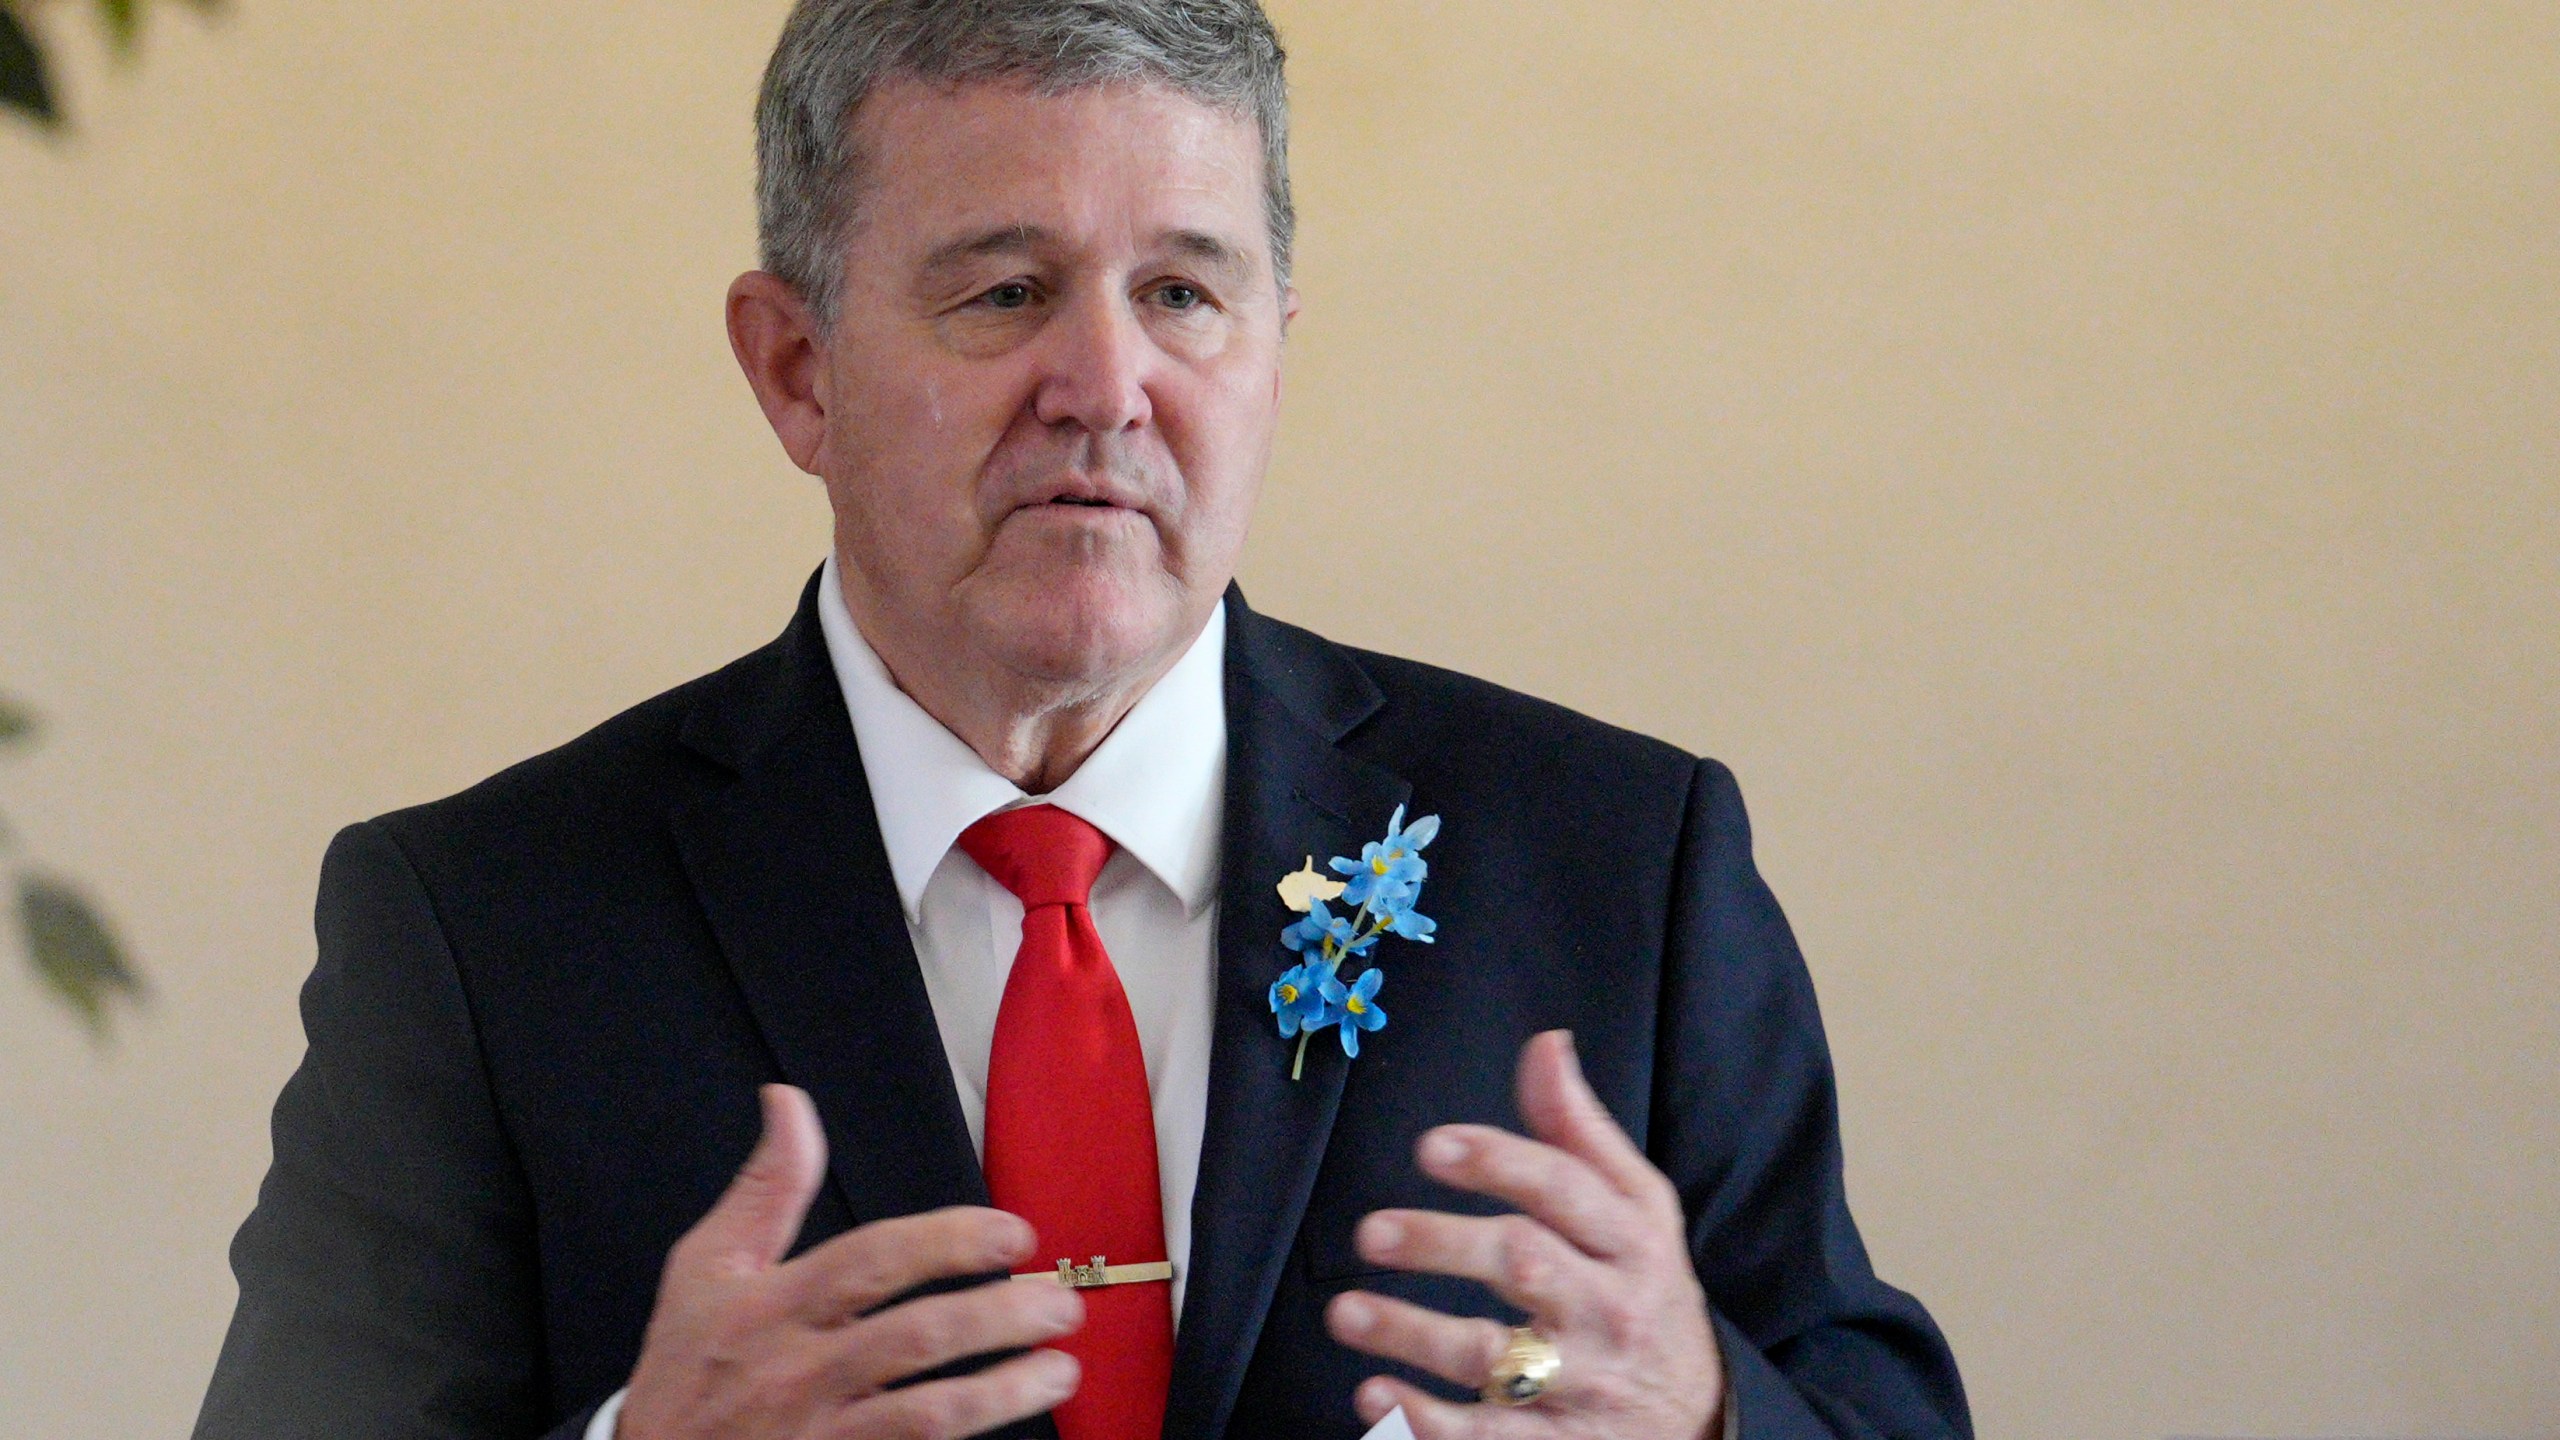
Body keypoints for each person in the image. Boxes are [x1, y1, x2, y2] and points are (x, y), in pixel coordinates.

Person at [192, 3, 1969, 1438]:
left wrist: (1707, 1412)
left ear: (1279, 344)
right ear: (795, 370)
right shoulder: (484, 925)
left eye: (1185, 293)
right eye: (1004, 292)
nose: (1105, 389)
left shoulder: (1611, 866)